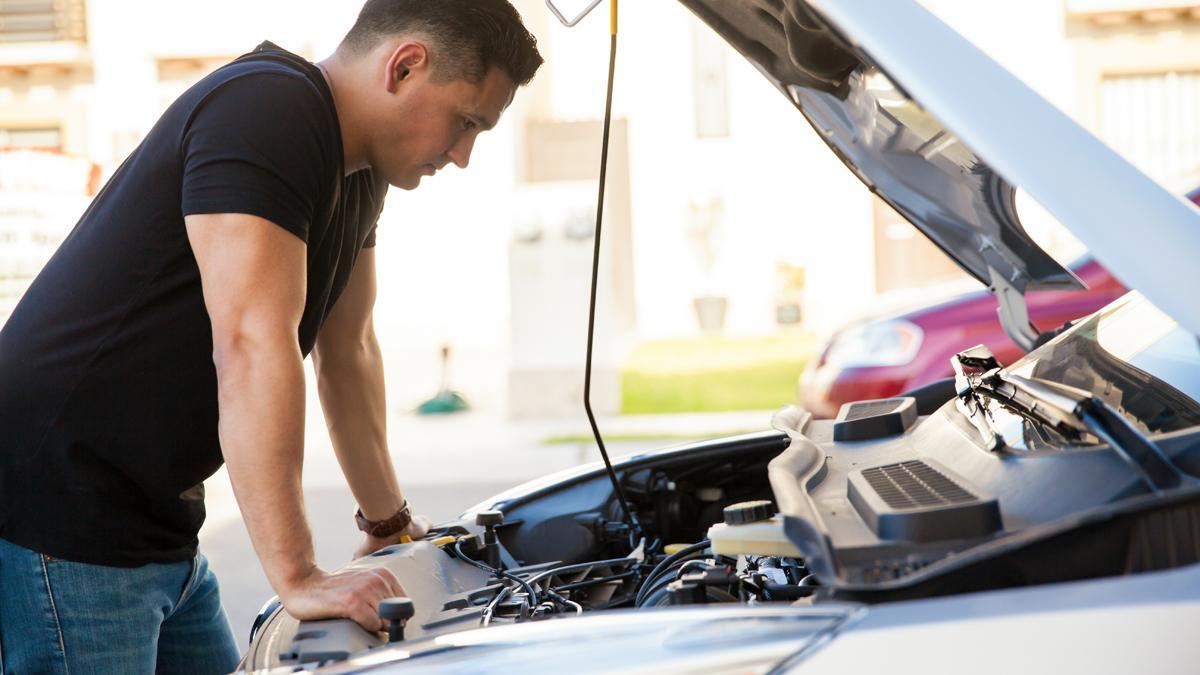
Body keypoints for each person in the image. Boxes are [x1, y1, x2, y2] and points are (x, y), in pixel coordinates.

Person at [0, 0, 543, 671]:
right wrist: (299, 574)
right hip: (67, 512)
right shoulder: (270, 111)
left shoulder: (361, 171)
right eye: (466, 122)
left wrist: (387, 523)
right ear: (404, 66)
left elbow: (347, 350)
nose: (462, 155)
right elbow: (253, 342)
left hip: (156, 518)